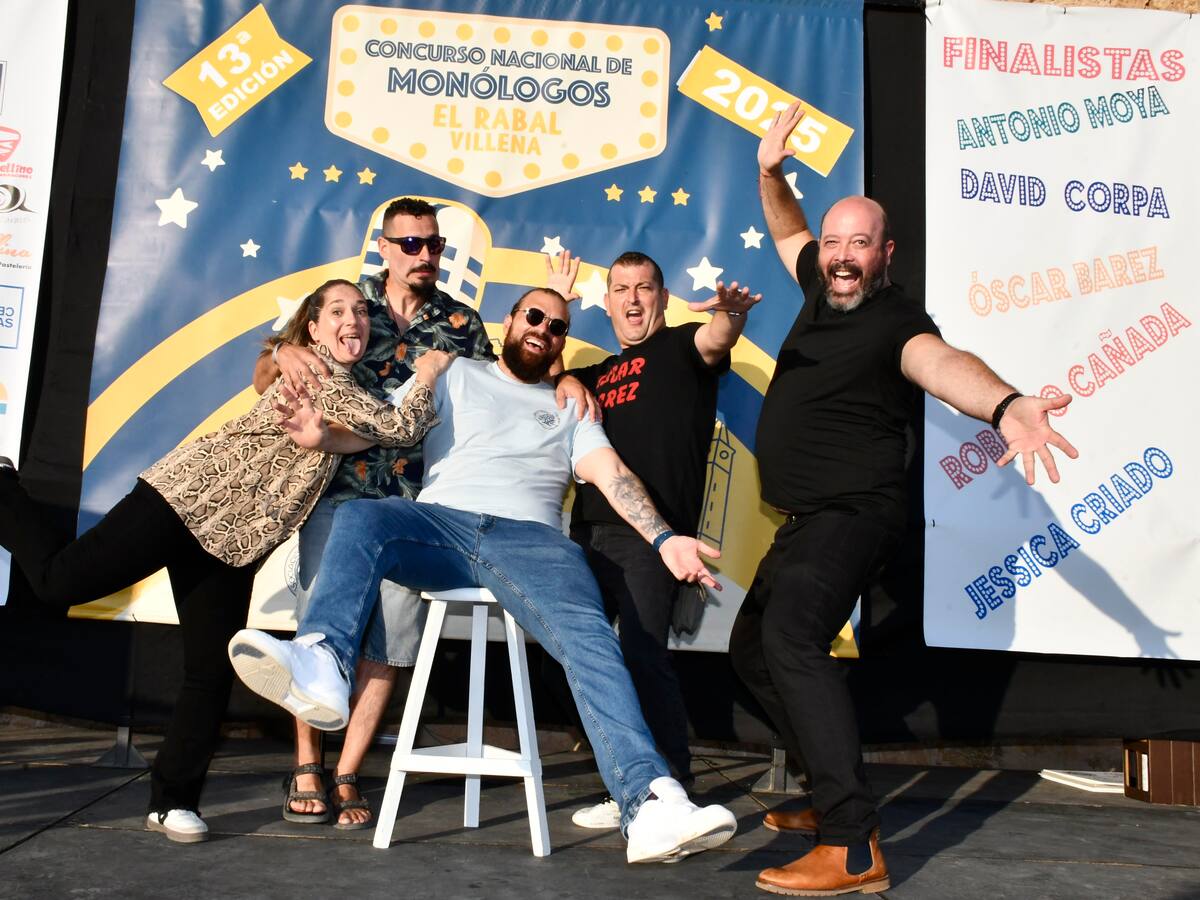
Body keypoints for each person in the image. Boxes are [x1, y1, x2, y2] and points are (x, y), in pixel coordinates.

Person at [228, 288, 739, 864]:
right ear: (510, 321)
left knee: (592, 641)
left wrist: (665, 539)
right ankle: (324, 658)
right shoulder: (454, 373)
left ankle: (649, 803)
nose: (543, 329)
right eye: (534, 316)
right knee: (362, 516)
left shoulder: (573, 405)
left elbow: (612, 473)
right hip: (441, 526)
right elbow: (383, 428)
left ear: (561, 343)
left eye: (557, 325)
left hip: (532, 542)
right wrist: (324, 437)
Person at [732, 102, 1079, 895]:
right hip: (807, 521)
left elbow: (943, 364)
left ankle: (852, 846)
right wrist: (769, 172)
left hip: (856, 511)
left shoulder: (896, 319)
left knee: (790, 638)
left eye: (859, 244)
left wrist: (1005, 405)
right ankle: (831, 795)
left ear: (885, 254)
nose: (842, 256)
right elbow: (787, 228)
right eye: (834, 242)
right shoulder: (821, 285)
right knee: (753, 652)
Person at [0, 279, 449, 844]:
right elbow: (400, 426)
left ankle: (172, 801)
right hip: (182, 504)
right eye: (336, 311)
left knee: (209, 674)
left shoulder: (343, 390)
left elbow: (356, 431)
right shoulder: (315, 371)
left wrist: (338, 425)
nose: (352, 320)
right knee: (56, 583)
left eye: (360, 311)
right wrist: (429, 372)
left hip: (235, 544)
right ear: (314, 328)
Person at [253, 197, 496, 829]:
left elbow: (500, 399)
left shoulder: (463, 325)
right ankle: (306, 765)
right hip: (335, 496)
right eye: (410, 243)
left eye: (434, 244)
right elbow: (264, 374)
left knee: (389, 641)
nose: (424, 254)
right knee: (317, 633)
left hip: (413, 505)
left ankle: (347, 773)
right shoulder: (344, 306)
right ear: (383, 248)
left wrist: (564, 377)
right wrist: (281, 355)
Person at [546, 250, 760, 829]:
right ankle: (628, 786)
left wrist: (731, 316)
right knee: (579, 660)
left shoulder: (680, 347)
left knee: (643, 655)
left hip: (652, 540)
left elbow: (716, 339)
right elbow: (547, 372)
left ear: (663, 299)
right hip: (586, 534)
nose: (633, 298)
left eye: (644, 287)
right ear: (608, 302)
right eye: (621, 289)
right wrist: (565, 358)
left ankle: (674, 789)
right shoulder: (595, 372)